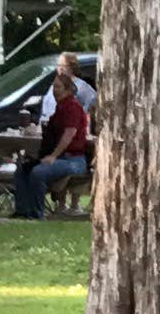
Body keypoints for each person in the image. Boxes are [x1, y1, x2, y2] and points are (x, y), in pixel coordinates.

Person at [10, 52, 96, 219]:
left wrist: (53, 156)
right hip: (60, 157)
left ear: (68, 90)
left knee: (39, 173)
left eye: (58, 88)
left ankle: (36, 213)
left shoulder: (72, 107)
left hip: (73, 160)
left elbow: (69, 134)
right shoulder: (59, 108)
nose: (55, 91)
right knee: (22, 169)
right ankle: (22, 210)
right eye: (54, 87)